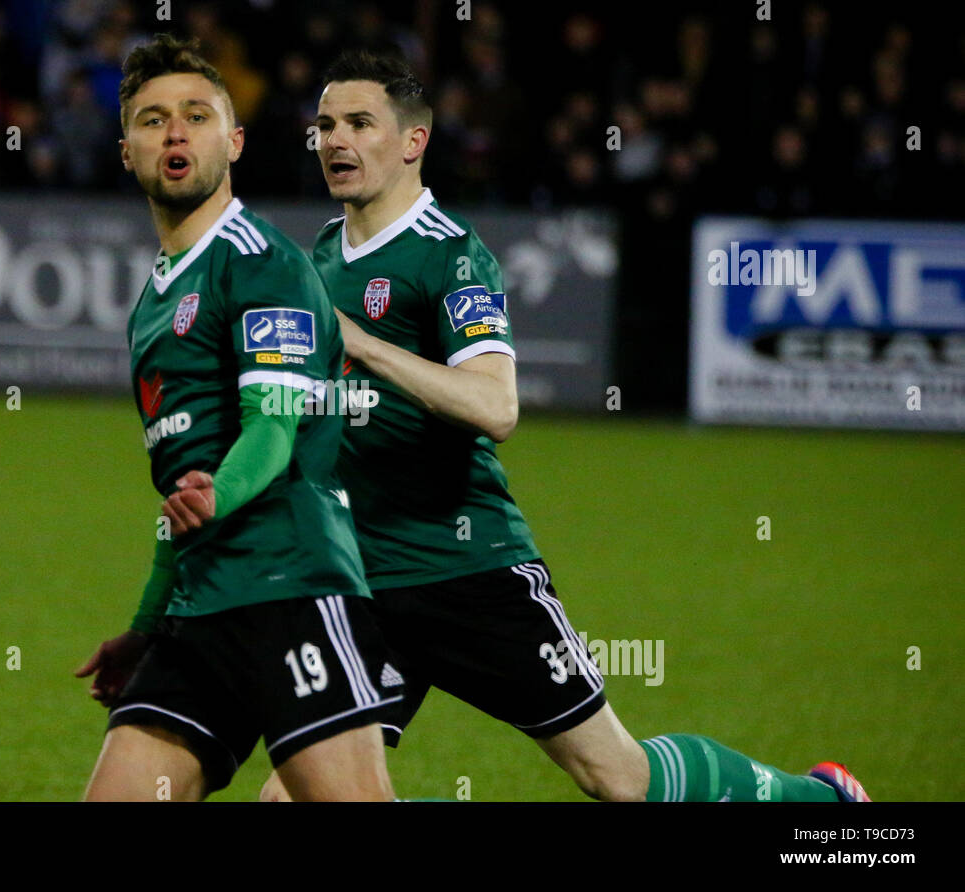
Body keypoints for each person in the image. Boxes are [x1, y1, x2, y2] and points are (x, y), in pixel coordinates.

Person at [259, 50, 869, 803]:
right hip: (362, 582)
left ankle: (823, 804)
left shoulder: (451, 256)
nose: (335, 141)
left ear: (413, 142)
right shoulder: (320, 252)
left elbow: (495, 407)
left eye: (359, 123)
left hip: (467, 571)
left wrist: (362, 344)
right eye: (324, 125)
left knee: (617, 776)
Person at [75, 35, 399, 802]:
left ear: (235, 140)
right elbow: (179, 494)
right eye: (153, 121)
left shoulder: (262, 262)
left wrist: (218, 494)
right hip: (201, 608)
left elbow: (272, 431)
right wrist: (148, 624)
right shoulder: (152, 303)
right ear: (128, 152)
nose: (175, 133)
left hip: (290, 586)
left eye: (196, 115)